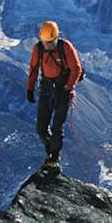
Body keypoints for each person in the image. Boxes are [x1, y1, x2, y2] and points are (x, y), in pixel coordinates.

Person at [26, 20, 83, 167]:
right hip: (47, 88)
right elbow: (33, 69)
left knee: (57, 126)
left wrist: (68, 88)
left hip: (62, 89)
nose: (46, 45)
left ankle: (54, 157)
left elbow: (76, 69)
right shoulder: (38, 49)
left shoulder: (65, 47)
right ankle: (50, 150)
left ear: (56, 38)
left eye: (50, 42)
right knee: (41, 129)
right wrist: (30, 89)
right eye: (44, 41)